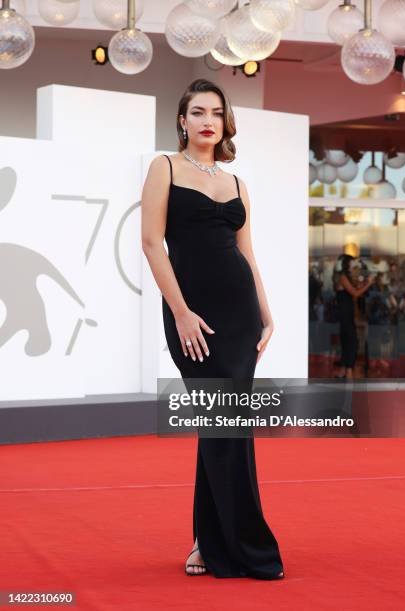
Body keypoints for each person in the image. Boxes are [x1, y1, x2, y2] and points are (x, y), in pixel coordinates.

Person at [141, 78, 284, 580]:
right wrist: (180, 311)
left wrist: (267, 315)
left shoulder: (238, 184)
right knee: (222, 426)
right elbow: (152, 244)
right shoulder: (164, 167)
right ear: (182, 120)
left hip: (240, 314)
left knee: (227, 427)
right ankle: (237, 541)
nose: (207, 121)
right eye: (197, 112)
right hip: (193, 315)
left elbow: (247, 255)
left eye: (216, 113)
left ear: (225, 123)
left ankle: (209, 540)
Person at [333, 254, 375, 380]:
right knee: (352, 342)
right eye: (352, 263)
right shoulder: (342, 277)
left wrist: (364, 281)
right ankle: (349, 371)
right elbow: (355, 293)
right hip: (344, 315)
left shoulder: (348, 277)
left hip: (348, 315)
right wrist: (368, 283)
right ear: (347, 264)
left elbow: (357, 290)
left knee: (348, 342)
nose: (354, 265)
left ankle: (344, 371)